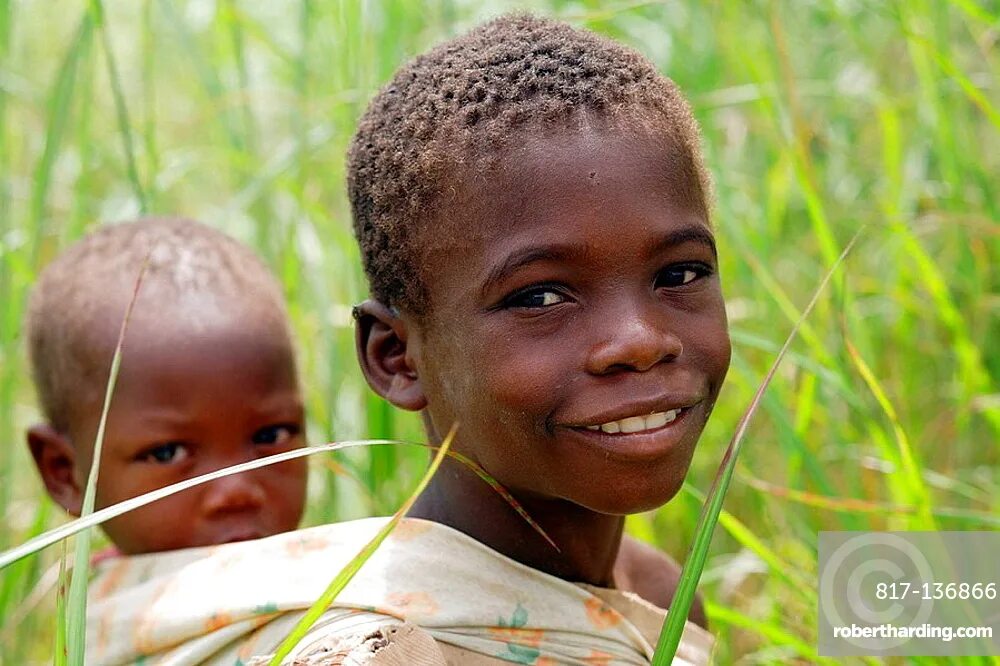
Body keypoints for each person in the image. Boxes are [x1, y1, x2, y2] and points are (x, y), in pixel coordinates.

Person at [85, 15, 728, 665]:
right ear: (396, 356)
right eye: (539, 297)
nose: (641, 342)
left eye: (679, 274)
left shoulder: (660, 593)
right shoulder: (381, 646)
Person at [25, 217, 308, 556]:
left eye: (270, 436)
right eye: (167, 453)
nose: (236, 491)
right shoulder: (91, 606)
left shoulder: (345, 592)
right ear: (66, 472)